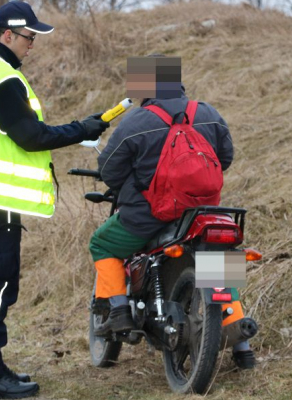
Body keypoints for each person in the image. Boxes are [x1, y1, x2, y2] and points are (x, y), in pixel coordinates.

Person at [0, 2, 110, 398]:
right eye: (29, 37)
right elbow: (31, 136)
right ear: (8, 35)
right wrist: (82, 130)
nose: (32, 45)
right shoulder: (3, 80)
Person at [88, 56, 256, 370]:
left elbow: (109, 171)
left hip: (149, 215)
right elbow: (226, 158)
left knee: (102, 244)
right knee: (218, 264)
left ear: (145, 87)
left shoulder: (137, 121)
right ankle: (243, 344)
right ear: (176, 81)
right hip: (204, 212)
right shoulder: (208, 113)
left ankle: (120, 310)